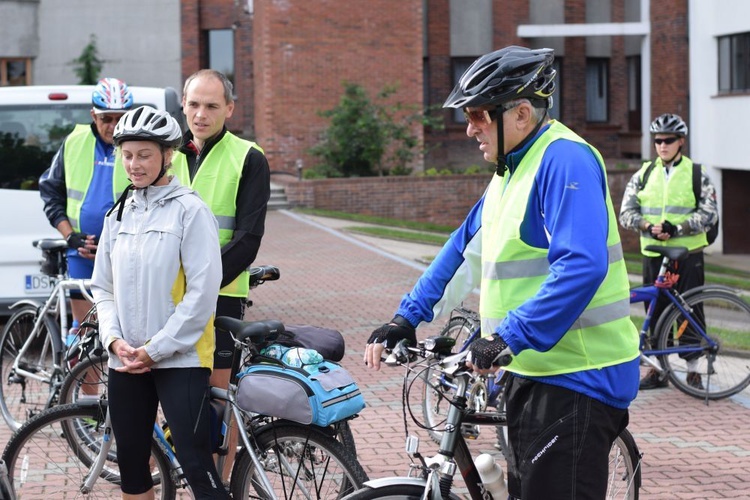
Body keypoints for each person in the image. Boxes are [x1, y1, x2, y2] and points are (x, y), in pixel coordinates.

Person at [364, 46, 640, 500]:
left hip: (580, 377)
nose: (469, 127)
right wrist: (406, 318)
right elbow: (461, 251)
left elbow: (582, 266)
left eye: (477, 115)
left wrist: (507, 335)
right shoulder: (509, 171)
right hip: (531, 372)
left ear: (522, 113)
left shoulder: (564, 160)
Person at [91, 105, 229, 499]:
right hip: (126, 358)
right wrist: (113, 340)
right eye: (128, 154)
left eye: (144, 155)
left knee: (196, 463)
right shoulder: (118, 215)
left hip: (179, 358)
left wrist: (156, 350)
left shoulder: (190, 210)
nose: (134, 164)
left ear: (167, 156)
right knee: (133, 466)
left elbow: (203, 295)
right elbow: (102, 287)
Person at [171, 69, 270, 475]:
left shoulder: (248, 157)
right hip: (168, 297)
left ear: (229, 109)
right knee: (173, 391)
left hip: (222, 294)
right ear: (183, 105)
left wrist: (200, 282)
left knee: (217, 395)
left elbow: (247, 239)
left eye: (212, 106)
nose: (201, 114)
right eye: (194, 104)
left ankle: (223, 480)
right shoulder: (165, 153)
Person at [619, 113, 719, 390]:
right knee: (655, 309)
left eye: (668, 140)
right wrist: (646, 225)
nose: (662, 145)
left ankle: (693, 370)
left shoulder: (697, 174)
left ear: (681, 142)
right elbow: (625, 212)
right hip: (654, 253)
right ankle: (657, 371)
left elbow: (709, 213)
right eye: (658, 140)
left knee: (690, 309)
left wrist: (678, 228)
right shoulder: (644, 174)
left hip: (688, 252)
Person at [39, 77, 133, 333]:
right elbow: (50, 190)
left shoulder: (137, 146)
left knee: (122, 331)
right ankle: (77, 372)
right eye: (106, 119)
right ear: (93, 114)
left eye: (119, 118)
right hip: (83, 255)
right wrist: (70, 236)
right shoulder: (75, 142)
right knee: (86, 331)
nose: (113, 126)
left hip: (122, 255)